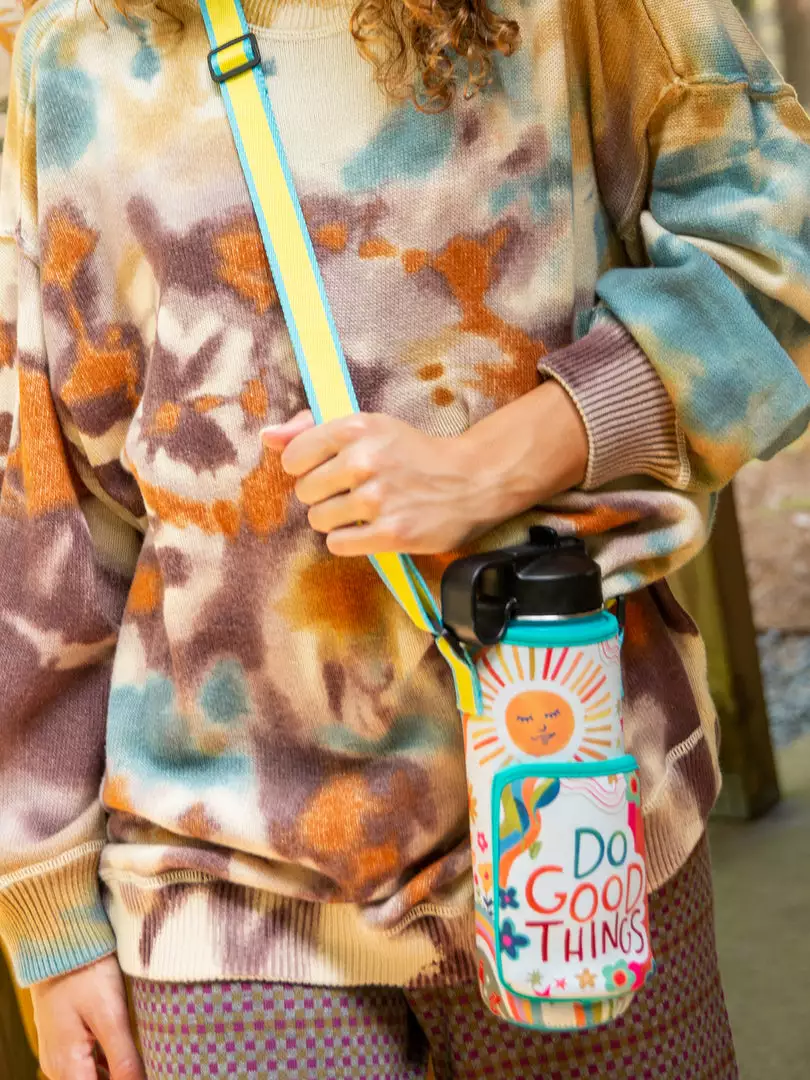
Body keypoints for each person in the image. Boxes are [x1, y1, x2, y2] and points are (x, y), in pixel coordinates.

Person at [0, 0, 808, 1076]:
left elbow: (776, 257)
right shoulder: (74, 44)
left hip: (583, 816)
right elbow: (45, 503)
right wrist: (49, 911)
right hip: (220, 884)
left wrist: (495, 464)